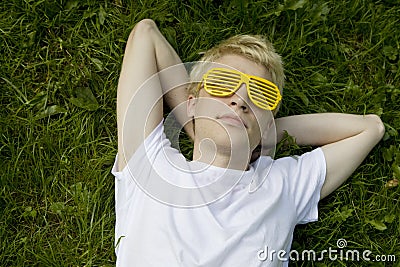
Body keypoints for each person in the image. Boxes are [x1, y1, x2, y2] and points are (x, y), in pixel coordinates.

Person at [112, 19, 385, 266]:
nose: (240, 99)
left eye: (260, 95)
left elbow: (370, 128)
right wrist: (199, 128)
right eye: (223, 83)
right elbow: (145, 34)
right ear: (192, 103)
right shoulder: (149, 164)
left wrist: (263, 132)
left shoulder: (282, 187)